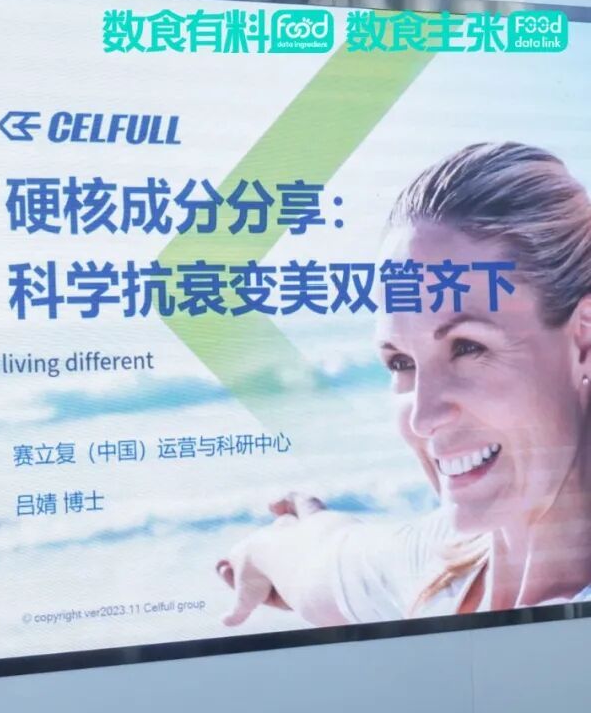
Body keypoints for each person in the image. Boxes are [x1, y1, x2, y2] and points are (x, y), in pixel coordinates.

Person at [215, 142, 591, 627]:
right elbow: (321, 558)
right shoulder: (437, 573)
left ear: (583, 339)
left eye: (467, 347)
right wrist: (272, 547)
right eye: (401, 362)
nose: (423, 417)